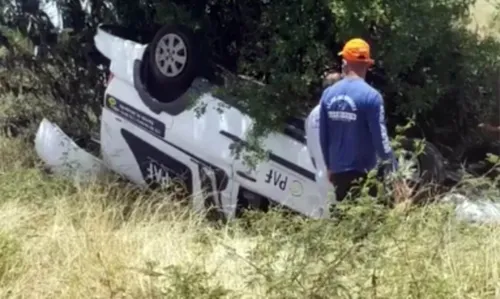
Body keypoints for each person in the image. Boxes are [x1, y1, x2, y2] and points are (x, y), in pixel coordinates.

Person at [318, 38, 398, 202]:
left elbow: (323, 136)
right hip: (365, 174)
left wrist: (329, 166)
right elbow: (380, 139)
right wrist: (393, 168)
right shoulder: (372, 97)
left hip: (338, 171)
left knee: (343, 220)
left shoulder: (328, 95)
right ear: (368, 64)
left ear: (345, 63)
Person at [305, 72, 342, 203]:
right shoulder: (338, 113)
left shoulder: (312, 115)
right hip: (338, 179)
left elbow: (311, 153)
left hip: (321, 178)